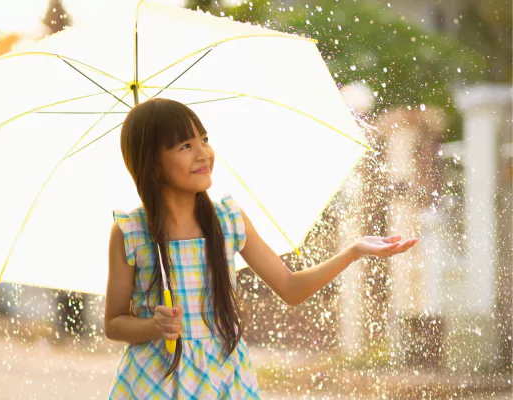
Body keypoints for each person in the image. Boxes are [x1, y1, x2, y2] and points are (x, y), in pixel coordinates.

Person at [104, 98, 418, 399]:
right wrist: (153, 326)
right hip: (155, 380)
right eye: (185, 146)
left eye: (204, 139)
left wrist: (353, 251)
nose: (203, 153)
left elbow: (290, 287)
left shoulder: (227, 220)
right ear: (152, 163)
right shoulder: (131, 231)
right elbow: (114, 324)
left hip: (222, 374)